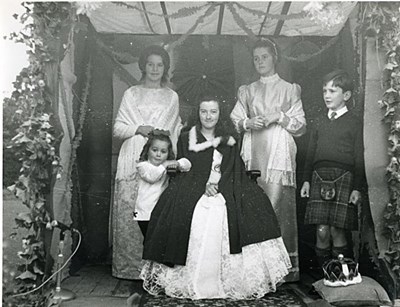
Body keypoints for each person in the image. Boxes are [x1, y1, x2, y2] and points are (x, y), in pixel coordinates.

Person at [140, 95, 291, 300]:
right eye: (204, 111)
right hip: (193, 186)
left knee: (234, 210)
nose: (208, 116)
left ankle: (228, 280)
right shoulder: (187, 136)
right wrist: (203, 185)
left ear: (219, 114)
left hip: (224, 185)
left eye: (213, 111)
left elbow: (233, 167)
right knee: (193, 212)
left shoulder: (228, 138)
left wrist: (219, 186)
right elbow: (186, 167)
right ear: (198, 113)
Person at [230, 39, 306, 281]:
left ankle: (281, 270)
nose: (260, 62)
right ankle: (257, 270)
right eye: (256, 58)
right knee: (254, 206)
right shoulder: (247, 90)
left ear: (275, 58)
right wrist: (247, 123)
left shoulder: (290, 89)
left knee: (278, 206)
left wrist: (280, 116)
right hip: (254, 153)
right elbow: (236, 118)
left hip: (278, 154)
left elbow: (301, 126)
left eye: (264, 56)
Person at [112, 45, 182, 279]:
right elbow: (118, 128)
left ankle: (156, 270)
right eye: (150, 64)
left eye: (159, 64)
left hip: (159, 159)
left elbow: (172, 131)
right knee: (132, 210)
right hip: (132, 157)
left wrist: (160, 137)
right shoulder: (131, 94)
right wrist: (138, 128)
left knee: (154, 212)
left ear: (165, 68)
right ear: (143, 65)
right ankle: (130, 269)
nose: (154, 69)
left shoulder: (172, 97)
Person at [300, 69, 363, 268]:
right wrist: (307, 180)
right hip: (319, 177)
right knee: (321, 230)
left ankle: (340, 275)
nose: (327, 95)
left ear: (346, 95)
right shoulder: (318, 122)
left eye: (332, 91)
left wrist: (357, 188)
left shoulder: (354, 123)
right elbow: (310, 153)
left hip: (344, 178)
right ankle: (325, 277)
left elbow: (359, 157)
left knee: (337, 230)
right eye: (325, 90)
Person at [133, 131, 191, 240]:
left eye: (163, 151)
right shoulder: (142, 166)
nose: (158, 154)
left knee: (160, 243)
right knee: (151, 242)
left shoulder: (165, 166)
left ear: (168, 153)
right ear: (147, 150)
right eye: (154, 150)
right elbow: (152, 177)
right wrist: (165, 164)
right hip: (145, 213)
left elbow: (187, 164)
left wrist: (177, 163)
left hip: (160, 211)